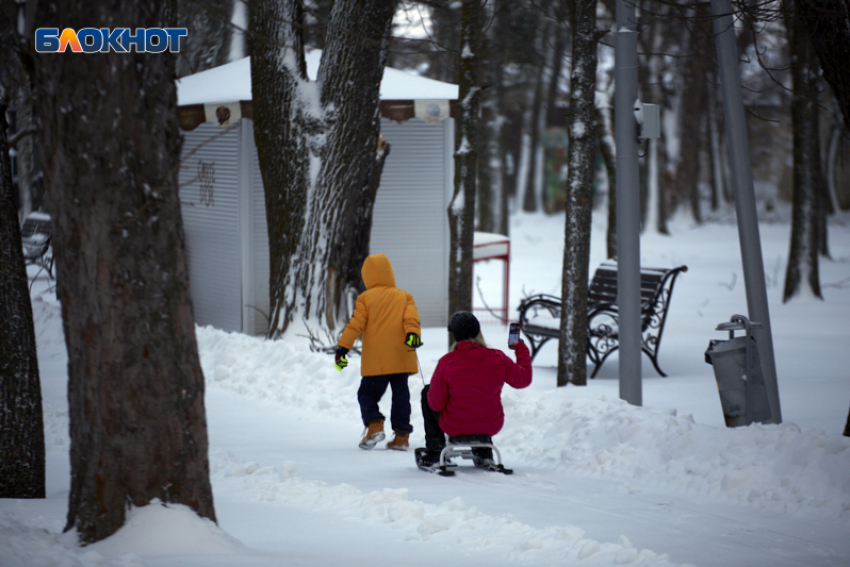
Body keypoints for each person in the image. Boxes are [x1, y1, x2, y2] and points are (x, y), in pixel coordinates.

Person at [416, 311, 532, 469]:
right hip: (490, 424)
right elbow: (523, 380)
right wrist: (520, 348)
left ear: (455, 336)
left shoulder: (447, 362)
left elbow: (435, 404)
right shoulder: (498, 358)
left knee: (427, 393)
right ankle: (483, 452)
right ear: (478, 331)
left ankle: (435, 451)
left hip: (455, 425)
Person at [335, 253, 423, 450]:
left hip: (378, 359)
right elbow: (412, 320)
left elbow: (355, 325)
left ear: (368, 277)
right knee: (401, 397)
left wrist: (343, 347)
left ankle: (374, 425)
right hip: (401, 357)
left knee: (367, 394)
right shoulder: (404, 296)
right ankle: (401, 437)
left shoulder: (365, 298)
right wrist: (412, 334)